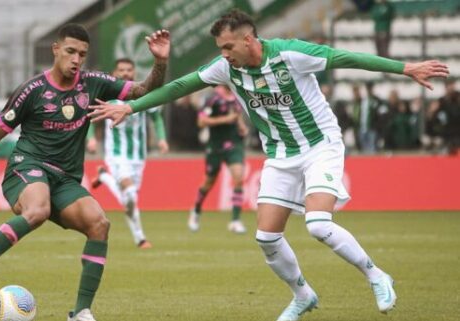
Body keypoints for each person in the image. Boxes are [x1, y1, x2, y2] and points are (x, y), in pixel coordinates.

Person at [89, 9, 449, 321]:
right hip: (280, 154)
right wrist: (131, 106)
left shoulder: (292, 54)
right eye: (221, 49)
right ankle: (303, 295)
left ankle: (376, 276)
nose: (224, 54)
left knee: (319, 225)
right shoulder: (226, 69)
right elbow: (180, 86)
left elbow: (345, 58)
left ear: (249, 40)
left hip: (320, 146)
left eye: (229, 47)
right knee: (266, 238)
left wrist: (405, 68)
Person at [0, 23, 170, 321]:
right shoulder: (32, 90)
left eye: (82, 53)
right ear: (55, 49)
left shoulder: (93, 83)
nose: (76, 59)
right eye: (70, 51)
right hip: (27, 168)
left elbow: (144, 89)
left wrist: (160, 62)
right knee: (38, 209)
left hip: (65, 180)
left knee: (99, 224)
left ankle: (81, 312)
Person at [86, 58, 169, 249]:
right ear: (114, 73)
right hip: (116, 155)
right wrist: (90, 138)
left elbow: (156, 117)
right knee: (130, 195)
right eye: (121, 70)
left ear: (134, 72)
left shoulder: (143, 94)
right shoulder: (106, 95)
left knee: (129, 200)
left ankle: (104, 177)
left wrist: (162, 138)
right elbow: (91, 116)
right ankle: (140, 239)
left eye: (129, 70)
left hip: (138, 157)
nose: (125, 73)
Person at [188, 85, 248, 234]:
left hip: (234, 144)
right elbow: (201, 122)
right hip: (215, 145)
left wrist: (241, 126)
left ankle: (235, 220)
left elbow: (237, 114)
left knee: (238, 177)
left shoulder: (237, 94)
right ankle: (196, 210)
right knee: (209, 182)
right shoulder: (212, 98)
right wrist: (225, 119)